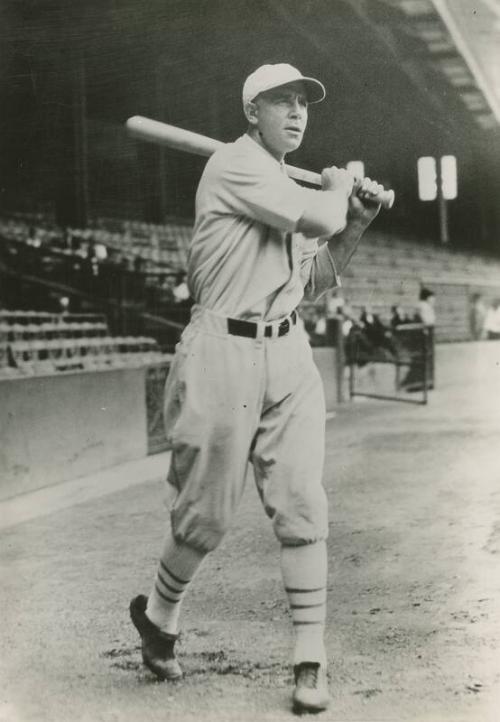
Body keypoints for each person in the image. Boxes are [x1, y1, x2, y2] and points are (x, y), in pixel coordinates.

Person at [129, 63, 383, 713]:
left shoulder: (289, 185)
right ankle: (159, 618)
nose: (297, 112)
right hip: (221, 350)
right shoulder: (236, 167)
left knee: (303, 506)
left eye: (303, 103)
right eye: (281, 102)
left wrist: (357, 220)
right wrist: (342, 187)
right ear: (252, 113)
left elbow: (319, 272)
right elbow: (319, 220)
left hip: (288, 351)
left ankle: (309, 661)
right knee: (204, 517)